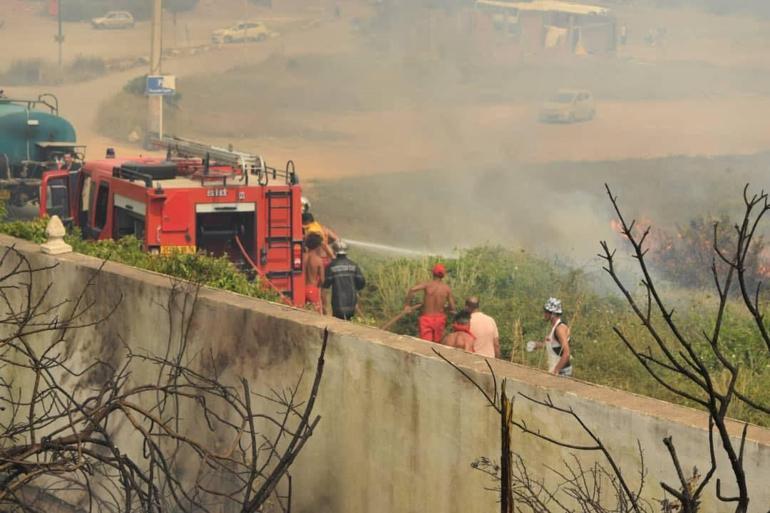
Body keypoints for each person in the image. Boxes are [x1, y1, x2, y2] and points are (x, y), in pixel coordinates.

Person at [404, 263, 456, 343]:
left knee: (426, 344)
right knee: (436, 344)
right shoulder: (446, 288)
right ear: (443, 276)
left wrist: (407, 305)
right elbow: (452, 307)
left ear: (433, 273)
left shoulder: (428, 284)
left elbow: (412, 289)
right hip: (440, 319)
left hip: (426, 319)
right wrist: (444, 307)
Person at [323, 241, 365, 320]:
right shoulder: (354, 265)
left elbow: (326, 284)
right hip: (351, 303)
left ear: (334, 251)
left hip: (337, 304)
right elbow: (361, 282)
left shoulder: (331, 266)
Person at [530, 297, 572, 376]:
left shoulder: (560, 329)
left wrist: (555, 371)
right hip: (556, 369)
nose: (544, 314)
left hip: (562, 371)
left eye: (546, 311)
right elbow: (552, 345)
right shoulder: (554, 327)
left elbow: (566, 353)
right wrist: (537, 345)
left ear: (553, 314)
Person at [303, 233, 326, 314]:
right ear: (317, 246)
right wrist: (318, 285)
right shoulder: (318, 260)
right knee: (316, 316)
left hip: (301, 289)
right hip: (313, 289)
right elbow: (323, 280)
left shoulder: (303, 257)